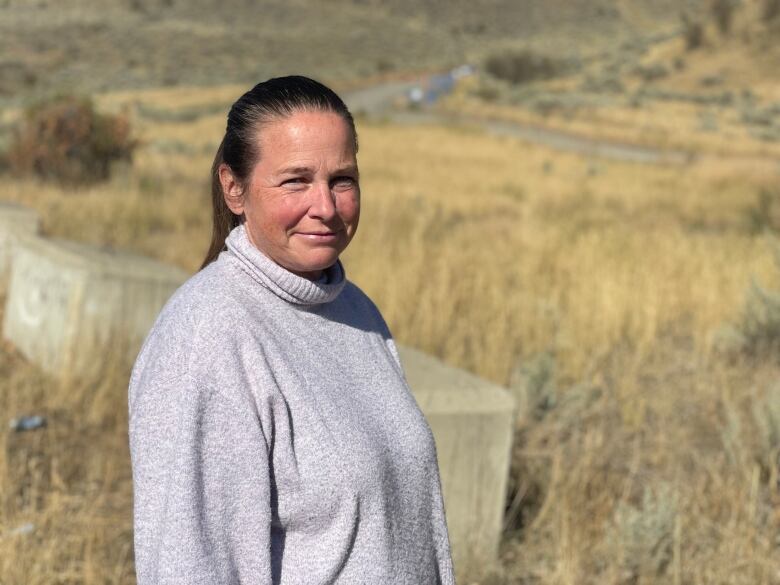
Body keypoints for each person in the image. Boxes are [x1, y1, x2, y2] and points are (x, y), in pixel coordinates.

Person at [128, 76, 456, 584]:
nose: (325, 206)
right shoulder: (208, 335)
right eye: (296, 180)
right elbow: (190, 566)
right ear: (233, 188)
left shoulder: (354, 309)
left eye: (342, 180)